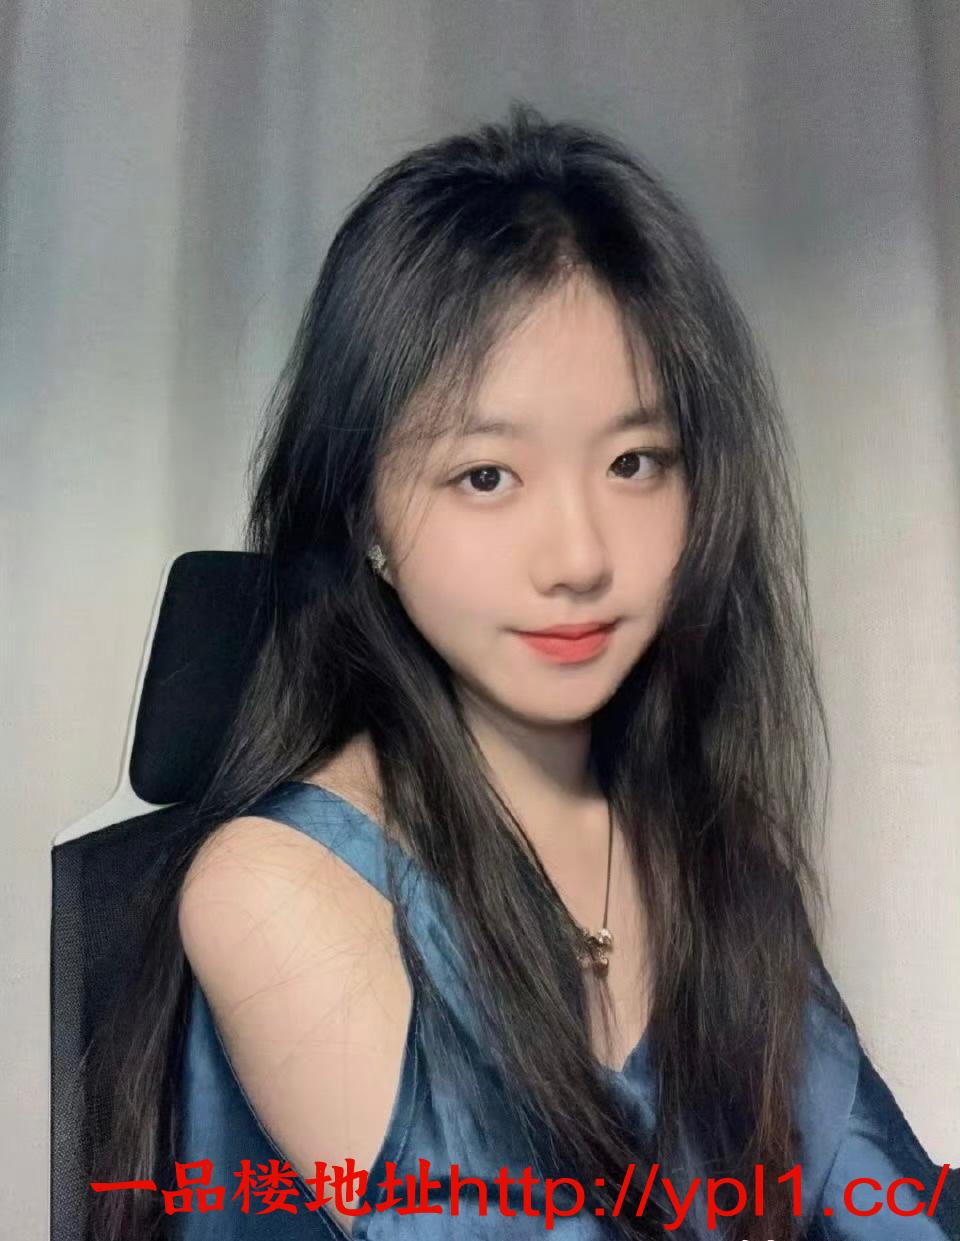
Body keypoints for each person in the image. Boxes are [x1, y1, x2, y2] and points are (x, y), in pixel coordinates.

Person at [87, 102, 959, 1241]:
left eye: (636, 461)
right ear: (366, 515)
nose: (581, 557)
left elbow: (887, 1202)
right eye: (487, 476)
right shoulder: (278, 892)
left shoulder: (700, 838)